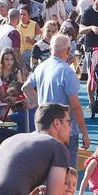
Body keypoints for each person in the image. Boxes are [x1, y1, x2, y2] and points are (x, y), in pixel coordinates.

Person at [30, 34, 88, 165]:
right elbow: (75, 107)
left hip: (44, 127)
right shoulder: (67, 72)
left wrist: (41, 104)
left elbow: (26, 87)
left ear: (51, 49)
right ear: (68, 50)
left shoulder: (41, 67)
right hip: (65, 130)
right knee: (67, 173)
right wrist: (84, 133)